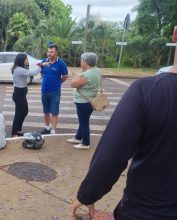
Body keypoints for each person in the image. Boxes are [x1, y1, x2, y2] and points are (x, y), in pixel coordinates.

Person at [70, 67, 177, 219]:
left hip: (146, 210)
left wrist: (87, 194)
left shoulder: (148, 90)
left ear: (174, 41)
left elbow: (111, 155)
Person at [67, 52, 100, 149]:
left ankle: (85, 143)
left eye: (82, 60)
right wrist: (82, 71)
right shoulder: (96, 70)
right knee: (83, 120)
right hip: (90, 100)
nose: (80, 62)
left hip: (83, 102)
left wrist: (77, 75)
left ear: (86, 62)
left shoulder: (86, 75)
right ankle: (78, 137)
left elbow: (73, 84)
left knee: (84, 122)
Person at [40, 43, 68, 135]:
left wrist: (58, 82)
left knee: (54, 112)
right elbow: (42, 73)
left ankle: (53, 131)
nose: (49, 53)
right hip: (44, 91)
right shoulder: (44, 61)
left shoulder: (61, 63)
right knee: (46, 111)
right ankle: (47, 128)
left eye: (51, 52)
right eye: (48, 51)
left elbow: (65, 75)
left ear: (56, 52)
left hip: (55, 92)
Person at [11, 53, 41, 137]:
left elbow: (28, 71)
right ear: (21, 60)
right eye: (26, 59)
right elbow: (33, 72)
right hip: (19, 93)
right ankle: (14, 133)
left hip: (21, 92)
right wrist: (41, 65)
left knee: (25, 111)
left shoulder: (20, 68)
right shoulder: (19, 69)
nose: (27, 61)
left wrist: (28, 64)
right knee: (18, 113)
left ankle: (18, 129)